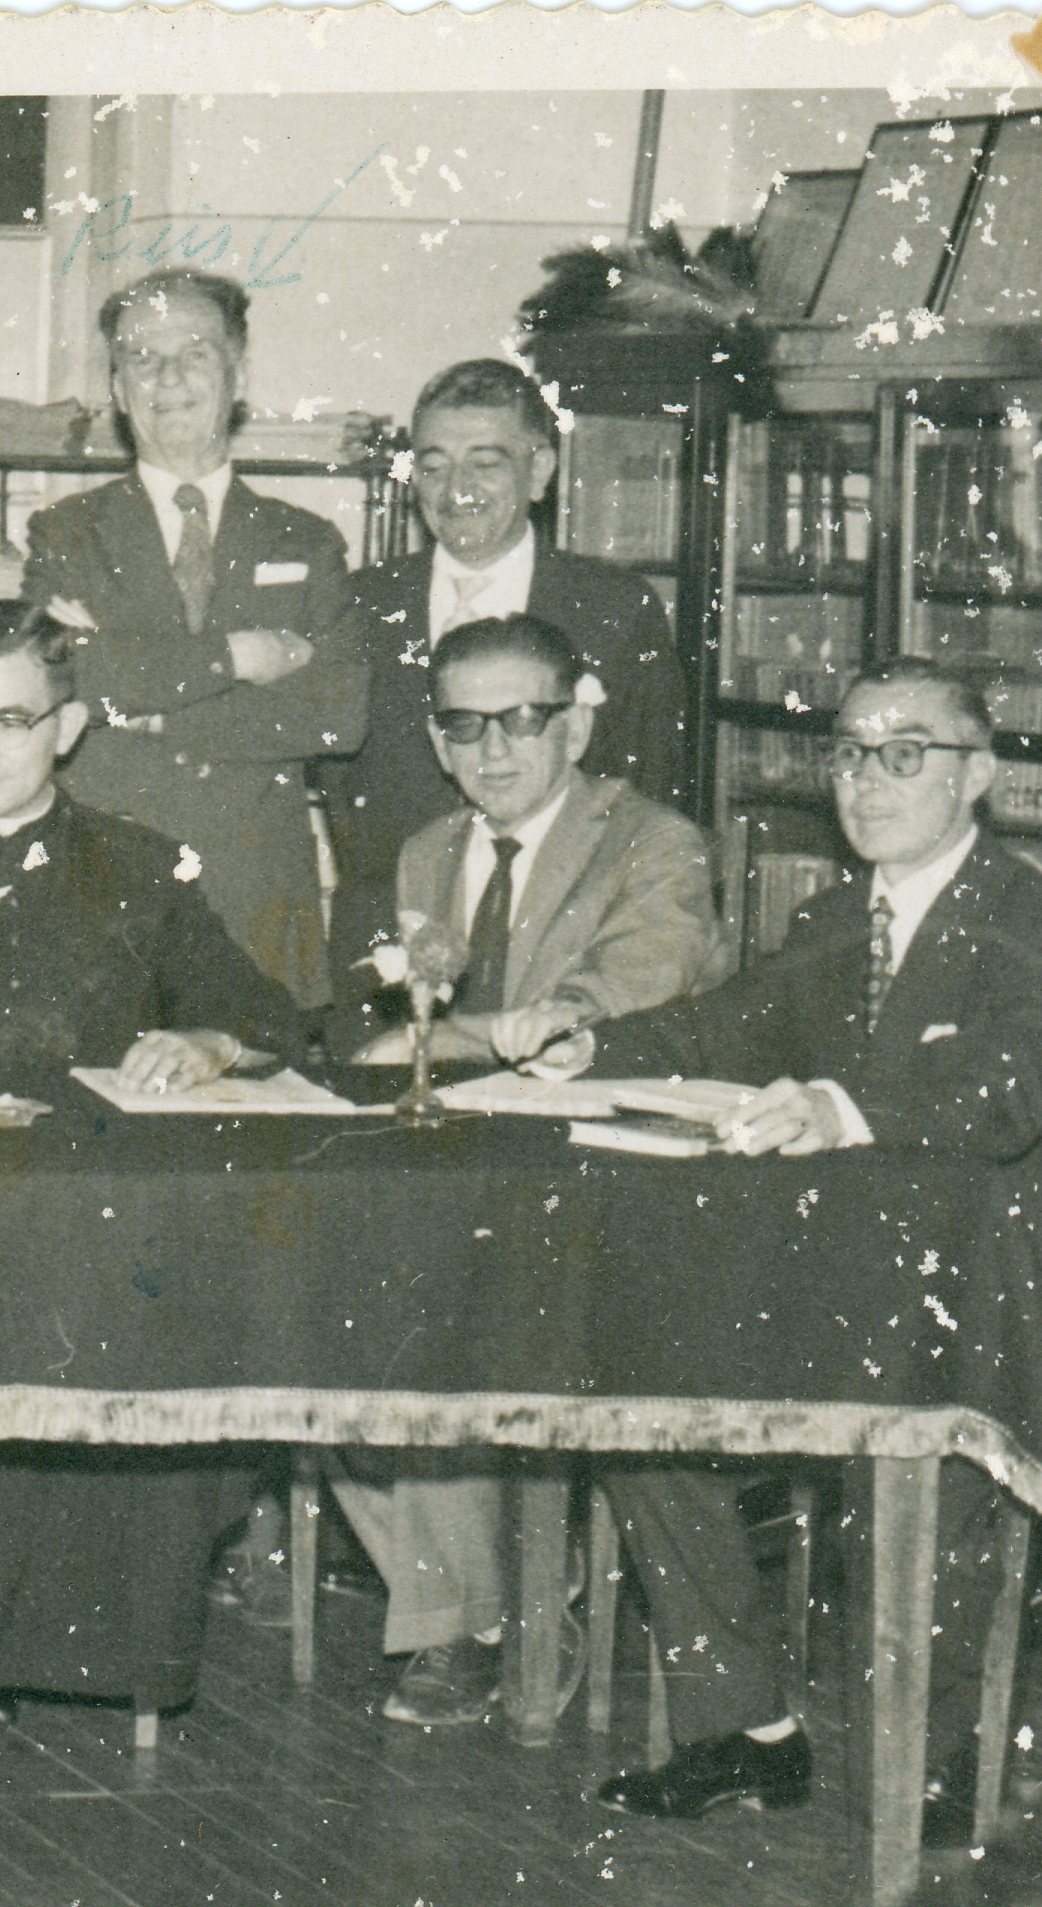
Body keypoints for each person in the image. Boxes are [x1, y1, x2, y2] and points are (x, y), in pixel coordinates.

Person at [556, 658, 1042, 1839]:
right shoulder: (829, 922)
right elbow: (720, 1026)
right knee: (636, 1402)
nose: (867, 779)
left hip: (1003, 1298)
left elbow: (1002, 1098)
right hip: (834, 1275)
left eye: (905, 753)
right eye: (852, 752)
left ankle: (936, 1756)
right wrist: (582, 1043)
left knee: (914, 1454)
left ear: (978, 775)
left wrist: (837, 1105)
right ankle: (746, 1729)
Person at [0, 597, 305, 1729]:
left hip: (100, 1252)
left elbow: (259, 1011)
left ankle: (105, 1662)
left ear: (68, 728)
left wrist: (208, 1041)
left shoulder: (138, 864)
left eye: (12, 721)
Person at [326, 613, 726, 1729]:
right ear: (436, 740)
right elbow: (381, 1036)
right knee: (316, 1317)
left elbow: (607, 1006)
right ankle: (499, 1605)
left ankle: (469, 1623)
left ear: (576, 724)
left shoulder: (654, 842)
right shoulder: (427, 851)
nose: (493, 748)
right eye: (465, 725)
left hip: (610, 1185)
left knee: (423, 1317)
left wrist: (455, 1038)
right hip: (464, 1177)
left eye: (521, 719)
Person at [21, 266, 370, 1009]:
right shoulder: (66, 534)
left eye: (195, 353)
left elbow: (337, 715)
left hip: (256, 901)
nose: (169, 378)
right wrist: (236, 657)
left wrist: (147, 709)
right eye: (143, 357)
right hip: (103, 899)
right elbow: (64, 680)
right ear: (117, 389)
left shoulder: (306, 541)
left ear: (238, 375)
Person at [325, 358, 695, 1026]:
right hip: (389, 966)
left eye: (485, 463)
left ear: (541, 470)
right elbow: (340, 787)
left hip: (560, 972)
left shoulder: (615, 608)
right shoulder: (356, 605)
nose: (456, 489)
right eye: (434, 466)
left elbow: (653, 796)